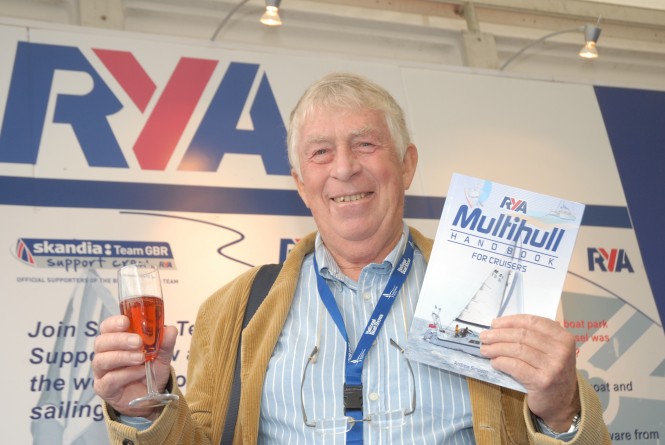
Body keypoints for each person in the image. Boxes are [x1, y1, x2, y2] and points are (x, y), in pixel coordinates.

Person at [93, 72, 610, 444]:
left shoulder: (490, 289)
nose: (343, 168)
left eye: (365, 144)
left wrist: (562, 411)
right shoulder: (233, 309)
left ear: (406, 165)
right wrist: (147, 411)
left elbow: (565, 428)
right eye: (320, 152)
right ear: (301, 183)